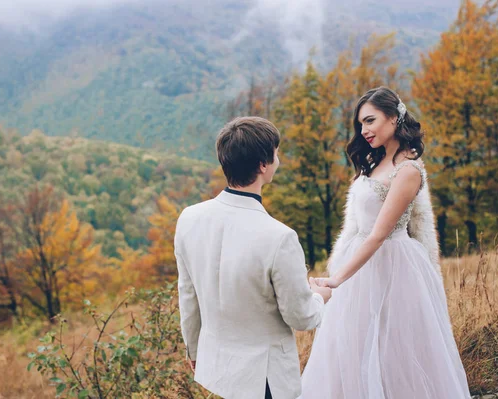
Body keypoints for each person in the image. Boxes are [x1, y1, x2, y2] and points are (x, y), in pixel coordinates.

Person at [299, 87, 471, 398]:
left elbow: (378, 234)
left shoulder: (408, 170)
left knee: (395, 347)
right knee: (353, 345)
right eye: (360, 124)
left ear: (394, 117)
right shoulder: (373, 161)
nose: (363, 131)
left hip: (393, 265)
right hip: (360, 263)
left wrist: (337, 278)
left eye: (370, 121)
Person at [175, 116, 332, 399]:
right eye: (276, 153)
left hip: (218, 369)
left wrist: (195, 350)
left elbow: (188, 295)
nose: (278, 159)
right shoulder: (280, 237)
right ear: (263, 165)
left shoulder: (189, 218)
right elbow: (301, 317)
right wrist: (320, 296)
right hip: (264, 379)